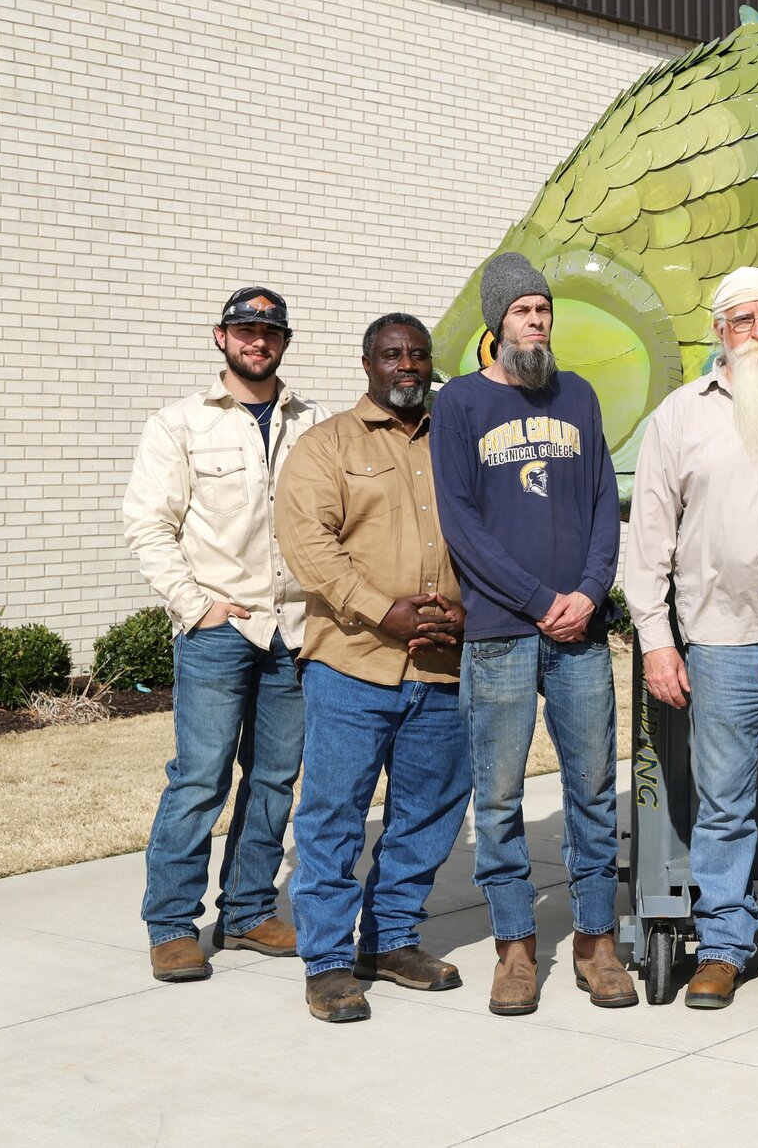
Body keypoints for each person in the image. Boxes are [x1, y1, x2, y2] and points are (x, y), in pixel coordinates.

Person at [624, 266, 758, 1009]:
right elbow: (649, 537)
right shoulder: (680, 416)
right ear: (719, 330)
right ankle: (723, 942)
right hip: (720, 639)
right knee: (723, 800)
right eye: (744, 320)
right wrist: (657, 638)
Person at [430, 253, 631, 1016]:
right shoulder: (460, 408)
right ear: (497, 322)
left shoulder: (578, 397)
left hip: (578, 633)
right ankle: (514, 947)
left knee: (590, 787)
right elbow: (462, 523)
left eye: (544, 309)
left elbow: (605, 504)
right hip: (500, 634)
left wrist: (586, 593)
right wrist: (539, 598)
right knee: (502, 792)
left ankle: (594, 940)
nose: (537, 320)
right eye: (523, 310)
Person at [122, 286, 326, 982]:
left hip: (293, 629)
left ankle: (244, 911)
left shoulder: (314, 423)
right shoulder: (178, 423)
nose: (257, 340)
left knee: (274, 778)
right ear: (221, 337)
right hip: (218, 629)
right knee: (200, 778)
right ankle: (172, 922)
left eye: (269, 331)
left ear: (284, 341)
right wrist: (194, 604)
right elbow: (149, 525)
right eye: (245, 329)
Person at [277, 314, 470, 1023]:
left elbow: (489, 533)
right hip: (353, 661)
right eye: (394, 354)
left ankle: (390, 940)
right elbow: (307, 544)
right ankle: (328, 962)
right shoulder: (326, 444)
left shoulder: (458, 441)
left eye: (418, 354)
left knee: (429, 810)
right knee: (333, 812)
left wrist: (470, 613)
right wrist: (376, 607)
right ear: (368, 363)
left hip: (442, 666)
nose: (408, 365)